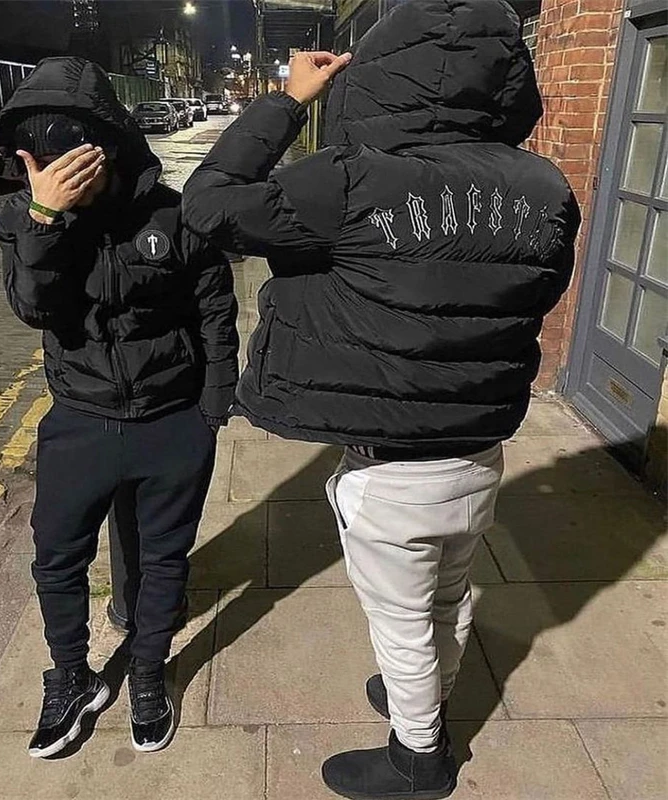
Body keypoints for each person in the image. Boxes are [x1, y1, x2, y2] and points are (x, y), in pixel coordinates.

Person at [182, 1, 579, 797]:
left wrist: (285, 101)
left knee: (401, 623)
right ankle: (422, 694)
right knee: (450, 593)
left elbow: (207, 205)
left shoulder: (347, 180)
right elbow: (532, 292)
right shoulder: (544, 187)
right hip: (480, 450)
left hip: (392, 468)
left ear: (381, 74)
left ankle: (418, 758)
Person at [0, 57, 239, 758]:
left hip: (172, 419)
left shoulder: (172, 213)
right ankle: (72, 678)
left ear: (108, 145)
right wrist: (45, 218)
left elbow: (215, 310)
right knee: (55, 558)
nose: (67, 173)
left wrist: (212, 409)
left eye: (77, 157)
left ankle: (149, 674)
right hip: (80, 420)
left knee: (164, 560)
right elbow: (34, 307)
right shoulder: (23, 219)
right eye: (45, 162)